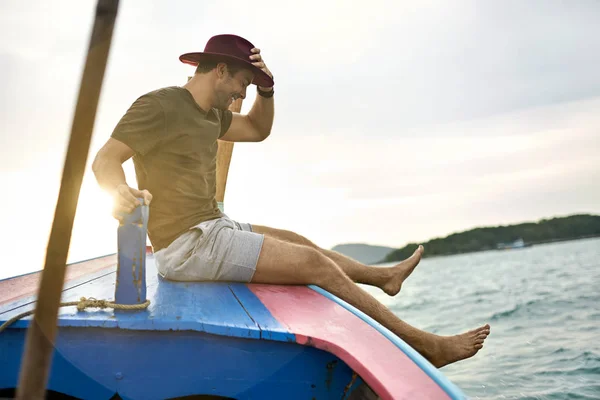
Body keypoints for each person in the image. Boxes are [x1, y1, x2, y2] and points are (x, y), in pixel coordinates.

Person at [92, 34, 490, 368]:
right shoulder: (159, 106)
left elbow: (257, 129)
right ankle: (425, 346)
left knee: (299, 241)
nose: (242, 94)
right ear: (220, 70)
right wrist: (120, 192)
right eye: (243, 84)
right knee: (315, 266)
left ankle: (382, 277)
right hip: (187, 246)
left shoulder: (211, 114)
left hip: (214, 227)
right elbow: (105, 161)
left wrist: (267, 87)